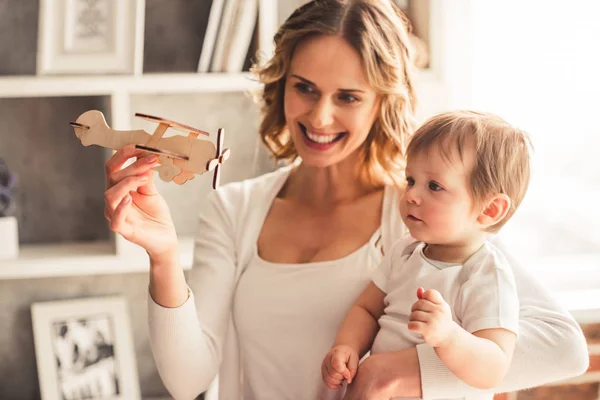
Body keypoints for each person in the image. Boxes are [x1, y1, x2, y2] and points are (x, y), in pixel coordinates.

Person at [102, 1, 588, 399]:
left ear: (382, 102)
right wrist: (163, 255)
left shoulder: (419, 215)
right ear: (282, 85)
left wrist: (398, 372)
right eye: (305, 88)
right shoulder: (236, 210)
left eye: (349, 97)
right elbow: (187, 382)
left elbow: (564, 349)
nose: (320, 116)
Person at [322, 111, 531, 396]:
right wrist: (347, 346)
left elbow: (493, 367)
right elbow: (367, 309)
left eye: (434, 186)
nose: (411, 195)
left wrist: (449, 337)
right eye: (410, 180)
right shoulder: (405, 251)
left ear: (489, 210)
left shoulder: (486, 273)